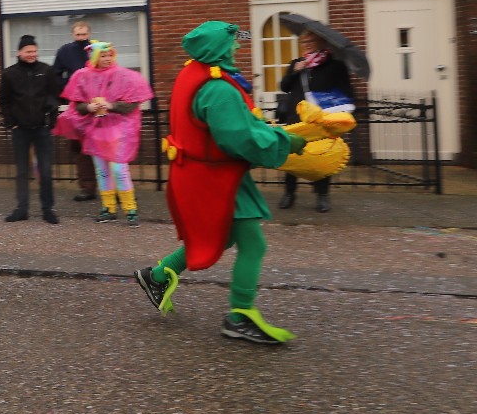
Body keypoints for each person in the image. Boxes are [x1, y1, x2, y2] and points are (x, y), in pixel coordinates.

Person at [132, 21, 346, 345]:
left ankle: (158, 276)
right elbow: (239, 138)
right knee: (253, 245)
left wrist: (275, 131)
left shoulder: (195, 72)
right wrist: (288, 142)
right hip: (216, 178)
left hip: (210, 174)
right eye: (233, 42)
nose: (237, 47)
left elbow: (234, 125)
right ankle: (240, 316)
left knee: (225, 235)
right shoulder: (217, 88)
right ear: (218, 47)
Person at [56, 41, 154, 227]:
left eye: (110, 55)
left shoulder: (124, 76)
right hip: (97, 130)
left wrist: (111, 105)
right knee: (102, 171)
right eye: (103, 55)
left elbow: (132, 104)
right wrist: (89, 107)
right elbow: (77, 105)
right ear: (94, 57)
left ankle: (130, 209)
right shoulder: (83, 76)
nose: (107, 58)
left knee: (119, 170)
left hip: (119, 130)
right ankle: (108, 208)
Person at [277, 29, 355, 213]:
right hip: (297, 118)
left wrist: (335, 108)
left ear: (321, 43)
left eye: (311, 41)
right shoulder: (297, 63)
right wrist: (294, 72)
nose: (307, 45)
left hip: (322, 119)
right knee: (292, 154)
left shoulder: (335, 65)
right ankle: (289, 193)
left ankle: (322, 195)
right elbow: (284, 87)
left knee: (321, 156)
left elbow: (347, 91)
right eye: (304, 42)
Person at [0, 34, 59, 224]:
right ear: (19, 53)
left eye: (34, 51)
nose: (32, 54)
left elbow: (54, 96)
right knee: (22, 171)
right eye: (28, 51)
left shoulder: (46, 71)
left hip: (42, 128)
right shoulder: (9, 74)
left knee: (46, 171)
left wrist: (51, 120)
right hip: (21, 129)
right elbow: (4, 100)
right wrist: (11, 122)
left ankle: (47, 209)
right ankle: (21, 209)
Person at [52, 21, 97, 202]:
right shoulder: (65, 51)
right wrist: (69, 88)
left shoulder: (98, 49)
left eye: (84, 34)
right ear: (72, 35)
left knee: (105, 145)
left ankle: (113, 188)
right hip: (77, 104)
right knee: (80, 147)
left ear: (89, 34)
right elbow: (55, 74)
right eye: (78, 35)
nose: (81, 38)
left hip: (99, 102)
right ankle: (87, 188)